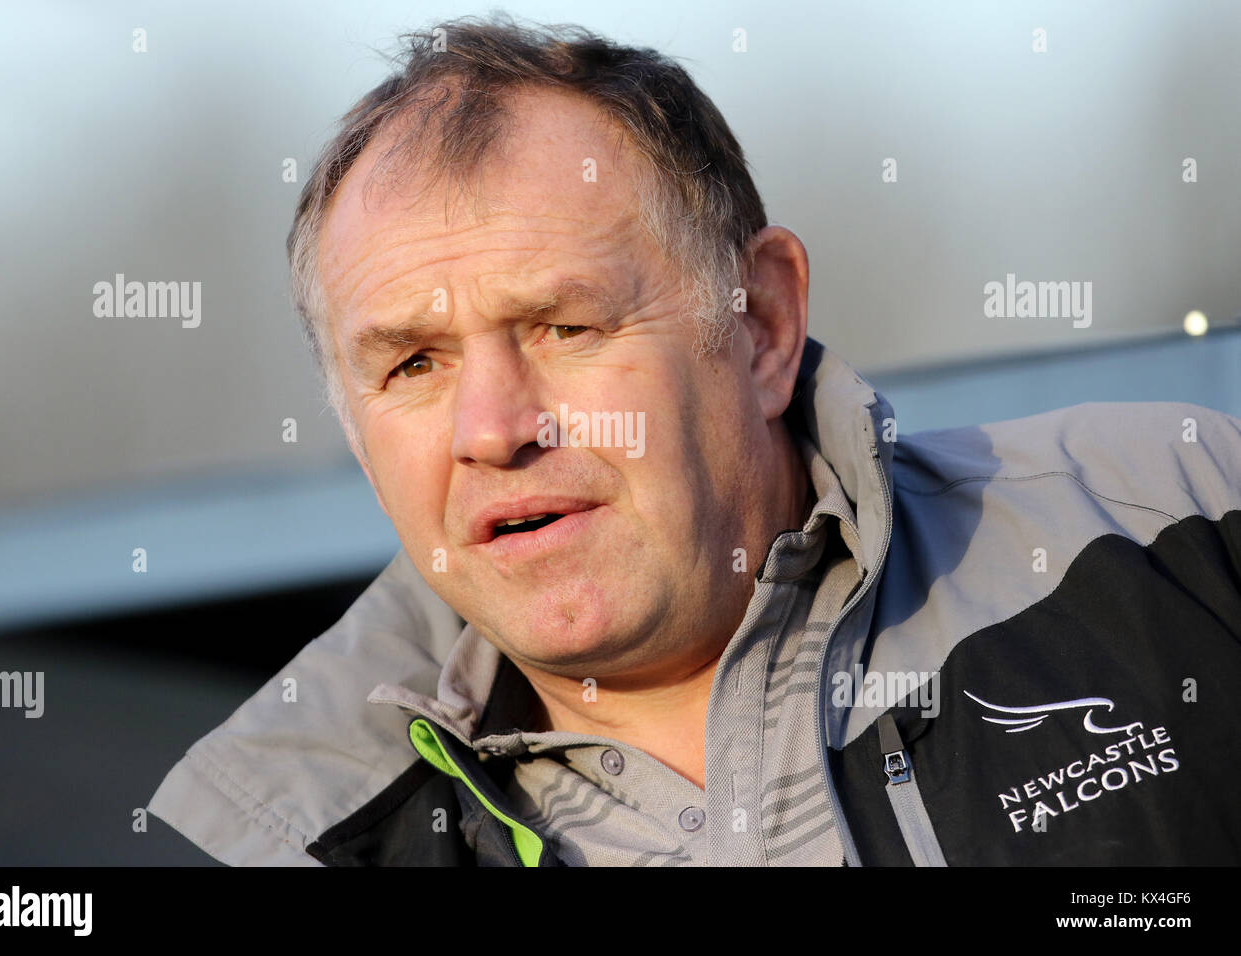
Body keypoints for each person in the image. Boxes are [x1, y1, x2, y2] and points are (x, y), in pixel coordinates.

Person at [148, 15, 1241, 866]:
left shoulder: (1177, 523)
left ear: (760, 323)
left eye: (562, 326)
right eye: (412, 364)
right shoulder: (264, 841)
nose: (491, 429)